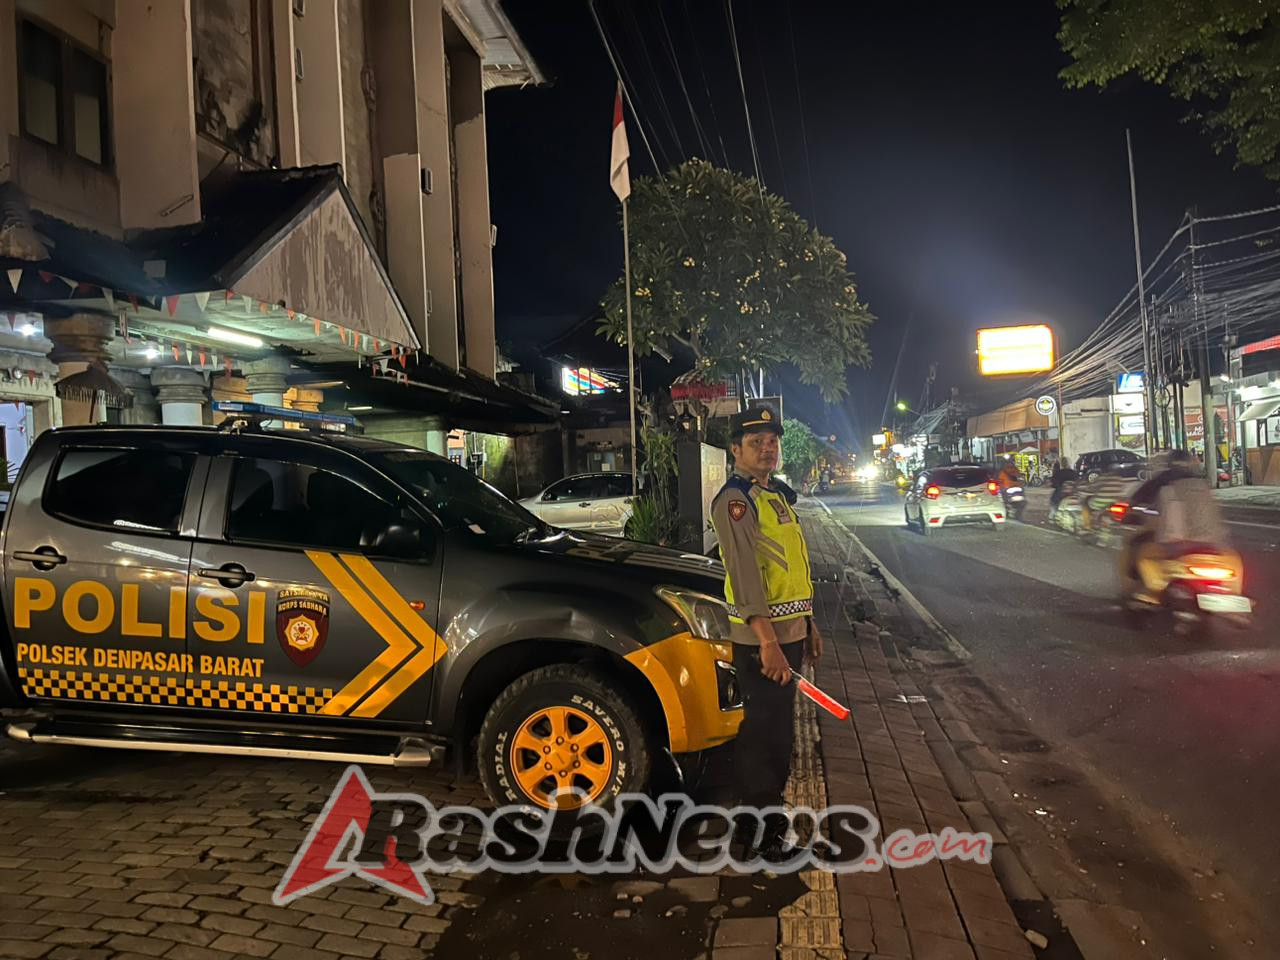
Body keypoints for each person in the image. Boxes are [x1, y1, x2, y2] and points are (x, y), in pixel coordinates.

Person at [710, 404, 823, 857]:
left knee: (778, 732)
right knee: (765, 734)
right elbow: (746, 577)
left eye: (772, 441)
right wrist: (769, 643)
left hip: (788, 632)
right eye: (756, 442)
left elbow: (792, 566)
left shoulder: (774, 495)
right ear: (735, 449)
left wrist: (809, 624)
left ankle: (762, 826)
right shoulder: (736, 501)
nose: (767, 449)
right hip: (763, 640)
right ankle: (759, 836)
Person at [1120, 450, 1235, 602]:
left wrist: (1129, 513)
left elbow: (1138, 499)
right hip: (1213, 544)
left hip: (1176, 543)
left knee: (1143, 552)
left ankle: (1150, 594)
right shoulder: (1203, 483)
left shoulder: (1163, 481)